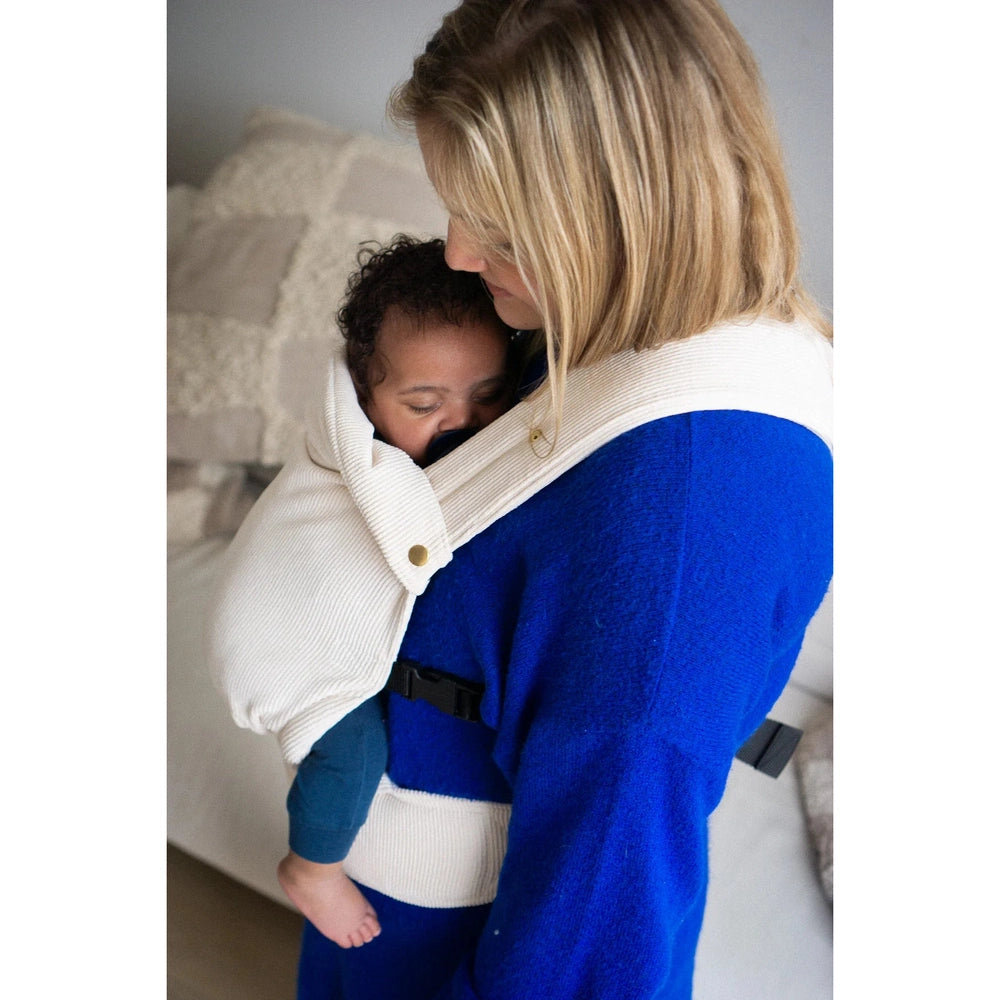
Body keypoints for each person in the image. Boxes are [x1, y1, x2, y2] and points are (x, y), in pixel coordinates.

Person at [209, 2, 833, 997]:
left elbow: (598, 913)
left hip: (447, 936)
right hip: (395, 886)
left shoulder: (678, 509)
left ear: (624, 213)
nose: (457, 253)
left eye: (498, 228)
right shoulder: (623, 333)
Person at [275, 235, 519, 948]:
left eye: (488, 395)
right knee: (352, 749)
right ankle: (311, 867)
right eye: (423, 402)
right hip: (293, 637)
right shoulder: (364, 466)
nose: (461, 422)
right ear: (365, 400)